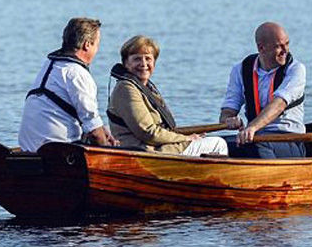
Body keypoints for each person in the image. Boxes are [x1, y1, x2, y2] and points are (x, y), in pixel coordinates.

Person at [107, 35, 228, 156]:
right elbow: (148, 133)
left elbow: (165, 130)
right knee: (218, 143)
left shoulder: (145, 88)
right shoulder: (126, 89)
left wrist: (186, 136)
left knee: (208, 140)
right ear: (126, 63)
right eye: (137, 59)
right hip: (144, 151)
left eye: (148, 59)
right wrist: (187, 139)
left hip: (154, 147)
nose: (143, 64)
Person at [19, 17, 118, 152]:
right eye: (97, 44)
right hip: (59, 153)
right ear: (87, 44)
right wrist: (108, 150)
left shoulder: (49, 66)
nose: (97, 50)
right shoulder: (76, 73)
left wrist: (102, 130)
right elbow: (93, 130)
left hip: (28, 149)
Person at [219, 22, 306, 158]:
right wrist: (228, 120)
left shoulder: (295, 69)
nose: (285, 50)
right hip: (255, 138)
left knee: (257, 146)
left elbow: (278, 105)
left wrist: (252, 127)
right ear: (261, 48)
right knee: (217, 144)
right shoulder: (241, 69)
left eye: (287, 44)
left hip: (289, 140)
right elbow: (227, 112)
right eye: (279, 46)